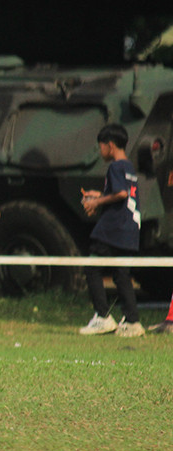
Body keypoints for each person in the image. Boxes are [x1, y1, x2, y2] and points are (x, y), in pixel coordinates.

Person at [78, 124, 143, 337]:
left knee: (92, 267)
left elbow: (121, 194)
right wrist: (99, 195)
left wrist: (96, 203)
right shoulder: (129, 166)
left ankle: (102, 316)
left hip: (113, 228)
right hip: (130, 228)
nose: (100, 151)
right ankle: (132, 321)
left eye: (101, 147)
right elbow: (120, 192)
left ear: (110, 145)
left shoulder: (115, 167)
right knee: (122, 275)